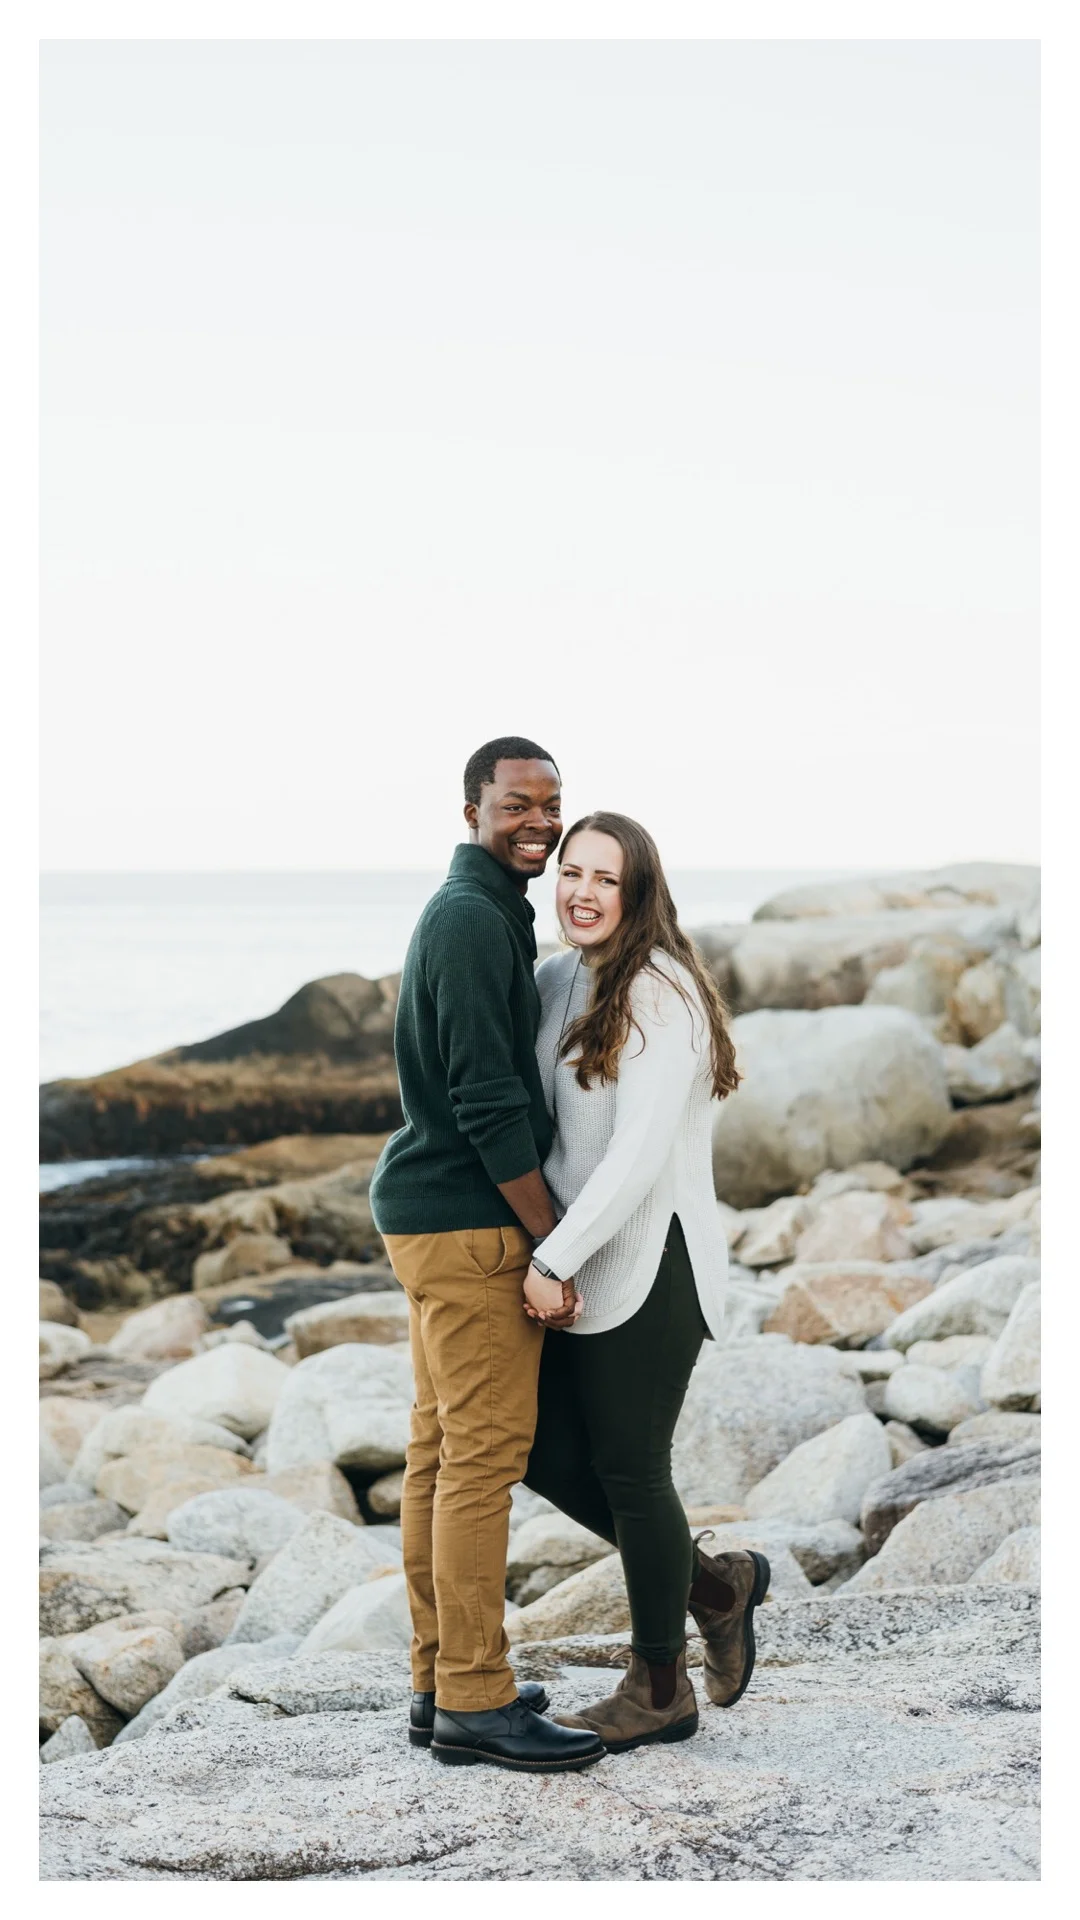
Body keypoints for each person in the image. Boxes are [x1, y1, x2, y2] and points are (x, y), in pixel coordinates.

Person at [369, 738, 605, 1774]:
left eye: (551, 804)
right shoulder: (469, 918)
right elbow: (485, 1099)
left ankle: (439, 1681)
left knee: (438, 1452)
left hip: (433, 1217)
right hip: (468, 1225)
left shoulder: (485, 910)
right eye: (517, 805)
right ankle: (475, 1695)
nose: (539, 822)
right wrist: (552, 1234)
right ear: (472, 811)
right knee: (481, 1462)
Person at [521, 811, 771, 1753]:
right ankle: (715, 1588)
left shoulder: (661, 994)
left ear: (639, 893)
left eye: (606, 879)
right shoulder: (558, 978)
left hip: (653, 1260)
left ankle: (659, 1686)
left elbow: (637, 1155)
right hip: (578, 1255)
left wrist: (553, 1258)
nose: (582, 893)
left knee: (632, 1470)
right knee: (538, 1449)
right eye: (571, 872)